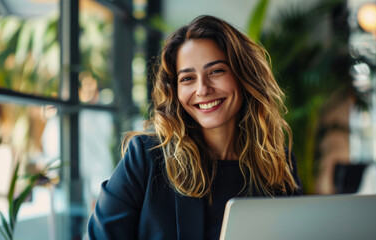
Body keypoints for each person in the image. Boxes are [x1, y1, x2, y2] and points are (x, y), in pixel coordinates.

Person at [86, 15, 302, 240]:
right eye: (187, 78)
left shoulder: (279, 165)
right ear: (175, 90)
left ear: (243, 76)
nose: (202, 89)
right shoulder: (145, 158)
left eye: (216, 71)